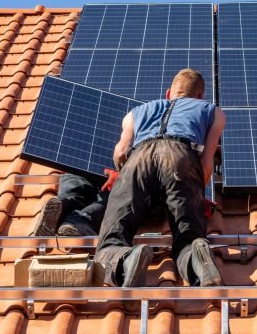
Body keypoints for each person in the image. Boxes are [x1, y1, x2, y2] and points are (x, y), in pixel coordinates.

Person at [94, 68, 226, 288]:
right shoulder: (213, 111)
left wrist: (132, 187)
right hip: (181, 154)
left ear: (168, 93)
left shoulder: (136, 112)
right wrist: (190, 194)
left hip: (138, 157)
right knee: (187, 236)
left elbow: (120, 152)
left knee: (111, 237)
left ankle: (125, 260)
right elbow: (205, 166)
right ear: (201, 96)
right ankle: (198, 261)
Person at [30, 172, 109, 237]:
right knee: (111, 198)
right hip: (110, 172)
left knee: (76, 190)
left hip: (78, 167)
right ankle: (77, 222)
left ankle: (63, 205)